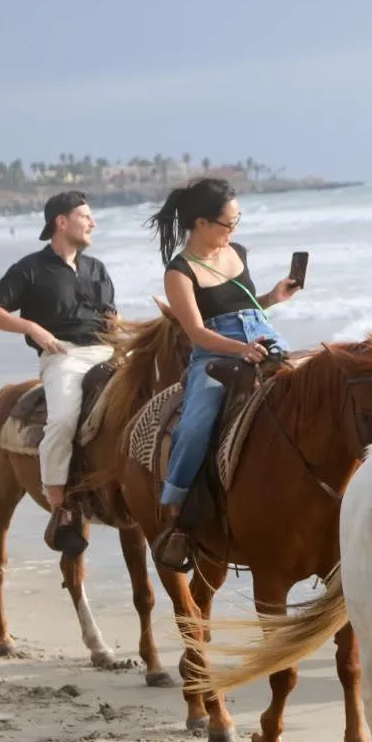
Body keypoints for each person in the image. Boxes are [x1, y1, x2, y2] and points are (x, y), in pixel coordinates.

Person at [146, 177, 300, 570]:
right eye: (228, 223)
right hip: (217, 353)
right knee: (197, 424)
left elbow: (249, 307)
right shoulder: (178, 272)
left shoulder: (238, 251)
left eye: (237, 221)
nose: (234, 230)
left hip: (263, 335)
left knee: (313, 384)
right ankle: (176, 509)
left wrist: (273, 297)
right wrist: (241, 350)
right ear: (201, 223)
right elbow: (198, 332)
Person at [0, 191, 117, 555]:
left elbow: (110, 318)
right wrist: (33, 329)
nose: (93, 222)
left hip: (106, 352)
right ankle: (58, 502)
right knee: (63, 419)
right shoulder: (29, 269)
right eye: (85, 216)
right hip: (64, 357)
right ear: (61, 221)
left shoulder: (97, 268)